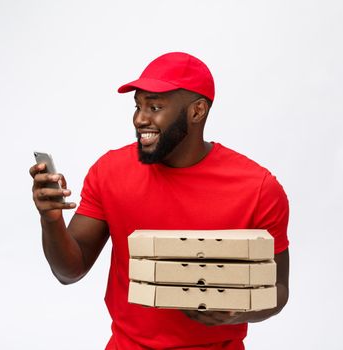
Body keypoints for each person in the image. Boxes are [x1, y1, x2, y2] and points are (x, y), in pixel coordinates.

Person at [30, 52, 290, 350]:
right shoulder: (109, 172)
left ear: (197, 111)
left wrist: (234, 312)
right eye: (138, 106)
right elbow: (69, 272)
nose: (140, 119)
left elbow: (278, 290)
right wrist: (51, 220)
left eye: (154, 106)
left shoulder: (258, 188)